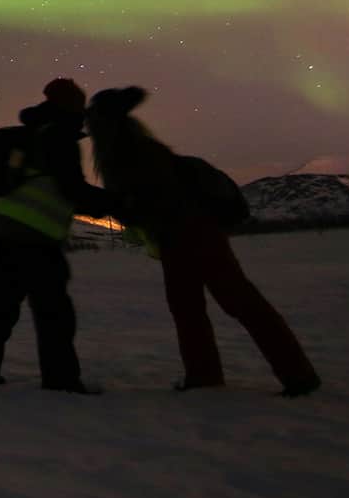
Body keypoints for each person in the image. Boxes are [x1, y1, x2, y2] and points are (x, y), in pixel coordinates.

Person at [85, 86, 321, 397]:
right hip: (184, 237)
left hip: (189, 236)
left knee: (234, 304)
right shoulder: (138, 149)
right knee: (199, 308)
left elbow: (154, 200)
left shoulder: (131, 153)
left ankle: (294, 376)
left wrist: (119, 206)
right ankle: (210, 378)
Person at [0, 78, 111, 393]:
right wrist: (113, 203)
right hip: (39, 236)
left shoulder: (12, 136)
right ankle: (61, 379)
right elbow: (72, 189)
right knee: (54, 310)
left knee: (0, 303)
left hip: (6, 230)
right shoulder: (59, 138)